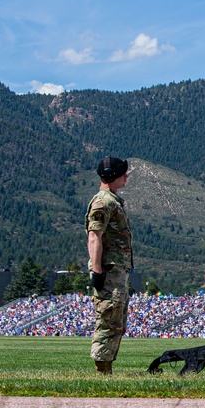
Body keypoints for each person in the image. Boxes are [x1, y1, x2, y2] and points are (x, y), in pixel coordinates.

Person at [85, 156, 134, 375]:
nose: (127, 176)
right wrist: (97, 271)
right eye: (123, 173)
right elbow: (94, 236)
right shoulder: (102, 201)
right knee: (108, 319)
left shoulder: (113, 200)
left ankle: (107, 369)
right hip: (109, 272)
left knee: (116, 322)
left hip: (118, 271)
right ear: (112, 176)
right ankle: (101, 372)